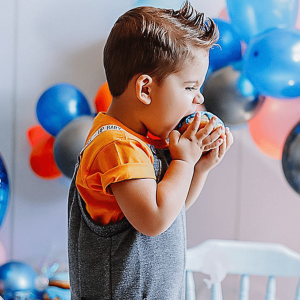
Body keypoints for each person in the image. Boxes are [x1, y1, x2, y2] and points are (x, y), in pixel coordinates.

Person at [68, 1, 234, 299]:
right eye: (189, 87)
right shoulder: (116, 146)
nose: (199, 98)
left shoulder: (145, 142)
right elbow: (154, 219)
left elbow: (173, 211)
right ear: (145, 89)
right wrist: (184, 160)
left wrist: (199, 167)